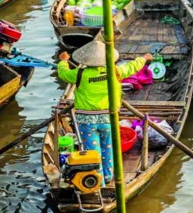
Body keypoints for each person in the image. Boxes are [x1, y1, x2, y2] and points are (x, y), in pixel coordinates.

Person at [57, 42, 152, 186]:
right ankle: (107, 176)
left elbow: (63, 74)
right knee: (108, 147)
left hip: (86, 120)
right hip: (108, 118)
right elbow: (132, 67)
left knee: (92, 151)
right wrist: (144, 58)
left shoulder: (80, 73)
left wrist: (63, 61)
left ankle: (98, 181)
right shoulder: (115, 71)